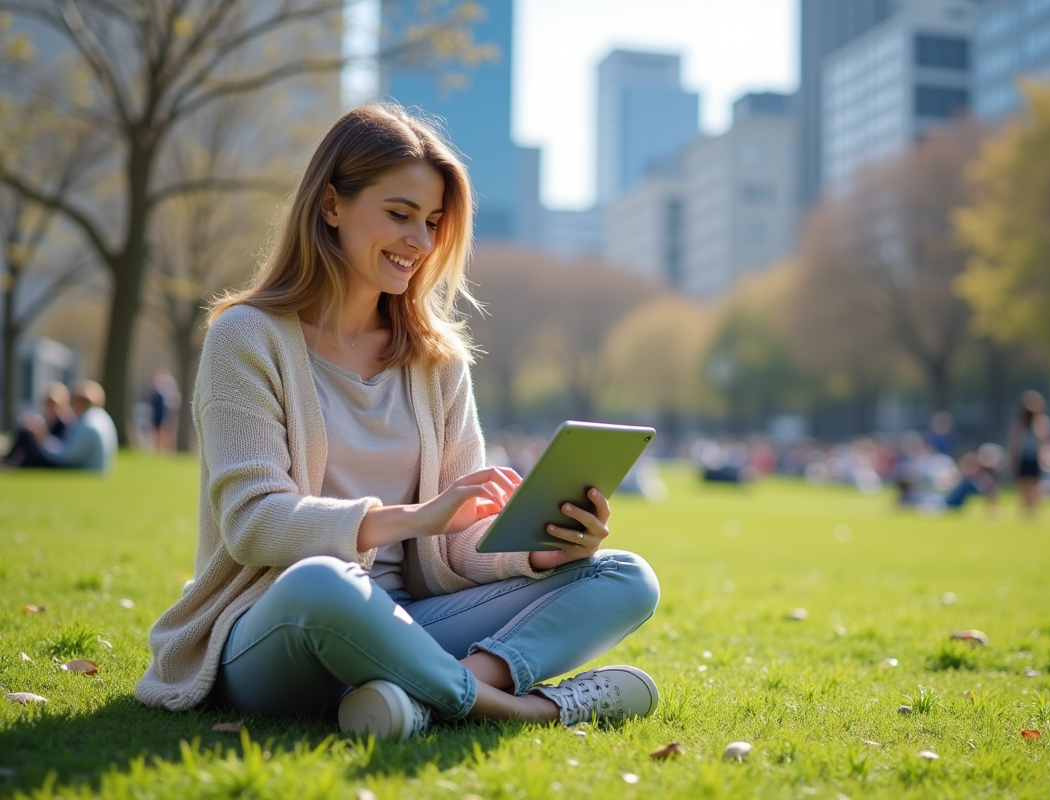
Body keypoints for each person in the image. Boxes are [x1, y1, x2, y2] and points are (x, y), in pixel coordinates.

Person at [135, 104, 661, 740]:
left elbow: (461, 541)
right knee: (325, 585)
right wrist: (412, 517)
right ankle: (527, 707)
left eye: (434, 222)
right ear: (331, 205)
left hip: (410, 622)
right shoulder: (246, 337)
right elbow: (251, 524)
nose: (420, 241)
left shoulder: (438, 360)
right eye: (399, 213)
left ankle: (411, 693)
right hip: (279, 627)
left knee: (624, 577)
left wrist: (536, 553)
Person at [3, 380, 116, 472]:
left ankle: (7, 462)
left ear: (81, 402)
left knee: (29, 449)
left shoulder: (88, 424)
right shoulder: (99, 417)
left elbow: (65, 456)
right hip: (93, 467)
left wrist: (42, 438)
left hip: (85, 469)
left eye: (73, 401)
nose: (71, 405)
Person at [2, 381, 74, 467]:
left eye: (53, 404)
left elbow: (59, 450)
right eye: (48, 404)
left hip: (52, 459)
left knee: (29, 454)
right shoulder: (44, 420)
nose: (50, 408)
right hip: (42, 452)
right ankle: (8, 459)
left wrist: (41, 435)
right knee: (25, 432)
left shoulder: (65, 424)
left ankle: (10, 463)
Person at [1008, 390, 1050, 517]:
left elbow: (1046, 442)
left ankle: (1033, 511)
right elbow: (1014, 443)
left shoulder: (1042, 421)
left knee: (1035, 487)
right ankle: (1024, 511)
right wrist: (1013, 460)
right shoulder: (1020, 423)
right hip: (1023, 458)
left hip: (1036, 459)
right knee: (1023, 486)